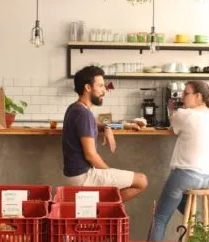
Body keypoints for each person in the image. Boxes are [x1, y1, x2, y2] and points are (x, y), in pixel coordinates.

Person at [148, 81, 209, 242]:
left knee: (160, 217)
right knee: (181, 200)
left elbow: (173, 127)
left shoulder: (185, 114)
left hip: (187, 176)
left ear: (198, 96)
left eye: (186, 93)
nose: (182, 97)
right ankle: (205, 237)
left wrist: (173, 112)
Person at [62, 66, 148, 201]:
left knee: (131, 182)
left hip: (74, 175)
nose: (104, 91)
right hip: (84, 176)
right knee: (141, 180)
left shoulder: (75, 108)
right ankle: (102, 209)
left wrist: (115, 126)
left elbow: (93, 125)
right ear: (88, 88)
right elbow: (90, 155)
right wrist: (108, 172)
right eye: (101, 86)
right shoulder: (83, 113)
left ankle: (99, 209)